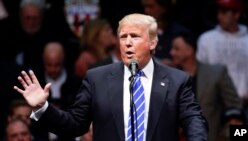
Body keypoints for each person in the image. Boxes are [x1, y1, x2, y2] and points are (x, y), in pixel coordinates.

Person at [13, 13, 208, 141]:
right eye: (123, 37)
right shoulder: (96, 79)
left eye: (135, 36)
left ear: (152, 43)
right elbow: (74, 125)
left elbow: (194, 121)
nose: (128, 43)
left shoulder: (177, 81)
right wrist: (42, 108)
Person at [170, 32, 243, 141]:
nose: (171, 52)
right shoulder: (169, 77)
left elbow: (235, 108)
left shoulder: (216, 73)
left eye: (176, 49)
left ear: (189, 51)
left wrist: (227, 134)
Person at [196, 0, 248, 123]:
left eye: (225, 12)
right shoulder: (206, 39)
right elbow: (201, 71)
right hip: (214, 104)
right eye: (219, 12)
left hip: (244, 103)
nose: (219, 16)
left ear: (237, 14)